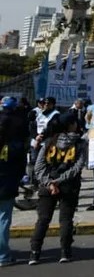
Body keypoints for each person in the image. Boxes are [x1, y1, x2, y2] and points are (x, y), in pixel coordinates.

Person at [29, 111, 87, 265]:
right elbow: (77, 167)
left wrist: (49, 183)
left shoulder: (49, 142)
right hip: (69, 186)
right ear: (71, 125)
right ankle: (65, 252)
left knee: (43, 219)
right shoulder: (79, 143)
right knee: (66, 219)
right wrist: (58, 181)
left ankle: (34, 253)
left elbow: (39, 167)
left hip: (47, 186)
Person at [0, 97, 27, 267]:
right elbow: (20, 163)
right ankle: (2, 255)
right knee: (3, 218)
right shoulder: (15, 144)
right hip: (6, 182)